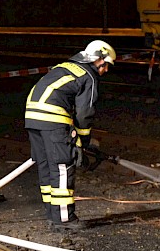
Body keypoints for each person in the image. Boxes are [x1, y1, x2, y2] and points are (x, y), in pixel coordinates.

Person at [24, 39, 116, 227]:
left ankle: (52, 214)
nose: (106, 71)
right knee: (62, 167)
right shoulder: (88, 76)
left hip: (31, 116)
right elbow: (85, 112)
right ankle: (64, 219)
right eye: (106, 66)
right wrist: (83, 138)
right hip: (53, 117)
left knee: (46, 166)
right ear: (99, 60)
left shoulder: (66, 66)